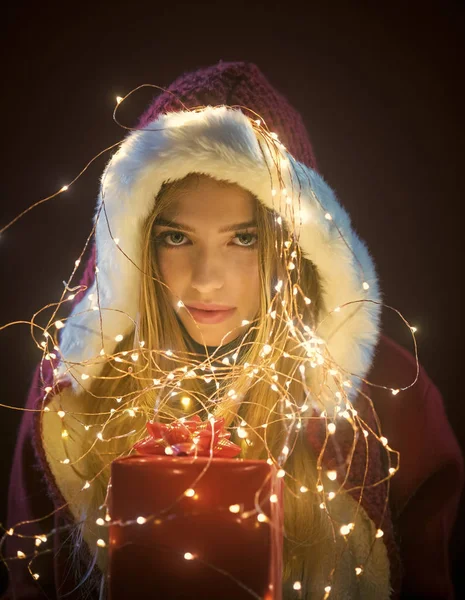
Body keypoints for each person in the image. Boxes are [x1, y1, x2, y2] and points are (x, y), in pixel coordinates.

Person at [2, 61, 463, 600]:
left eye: (242, 239)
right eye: (177, 238)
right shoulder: (71, 398)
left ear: (291, 245)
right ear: (138, 240)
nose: (206, 281)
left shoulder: (388, 397)